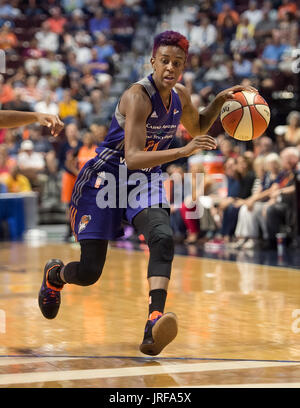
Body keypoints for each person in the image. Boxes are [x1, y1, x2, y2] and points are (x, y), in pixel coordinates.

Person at [38, 31, 256, 356]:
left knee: (163, 238)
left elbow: (198, 127)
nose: (170, 67)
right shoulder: (138, 96)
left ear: (183, 67)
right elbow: (134, 156)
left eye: (177, 63)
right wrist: (182, 152)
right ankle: (55, 276)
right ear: (153, 61)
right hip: (105, 180)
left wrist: (221, 100)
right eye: (165, 61)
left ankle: (154, 320)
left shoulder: (180, 94)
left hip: (145, 181)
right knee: (89, 272)